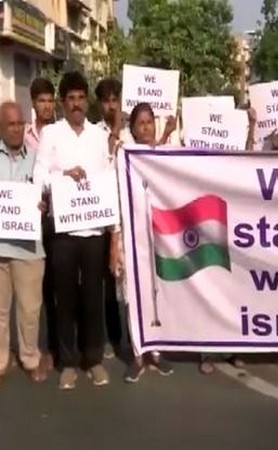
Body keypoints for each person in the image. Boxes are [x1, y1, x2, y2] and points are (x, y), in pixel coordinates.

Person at [33, 71, 114, 390]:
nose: (77, 104)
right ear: (63, 103)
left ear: (86, 101)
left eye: (81, 98)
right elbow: (40, 175)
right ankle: (67, 362)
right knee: (64, 297)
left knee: (93, 296)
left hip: (94, 229)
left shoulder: (97, 135)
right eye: (71, 99)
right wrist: (64, 176)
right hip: (63, 231)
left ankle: (92, 359)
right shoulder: (52, 134)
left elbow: (108, 178)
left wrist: (114, 232)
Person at [109, 102, 175, 382]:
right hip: (131, 237)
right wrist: (115, 241)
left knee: (156, 292)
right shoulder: (124, 158)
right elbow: (116, 196)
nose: (146, 127)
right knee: (131, 296)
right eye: (141, 123)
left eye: (150, 122)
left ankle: (156, 352)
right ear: (132, 130)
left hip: (160, 236)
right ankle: (137, 354)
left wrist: (168, 134)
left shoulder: (165, 154)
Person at [0, 102, 48, 383]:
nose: (17, 129)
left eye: (20, 123)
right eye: (10, 124)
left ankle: (30, 357)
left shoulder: (38, 158)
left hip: (29, 246)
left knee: (30, 308)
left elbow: (49, 190)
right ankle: (2, 358)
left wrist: (44, 204)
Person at [94, 78, 132, 360]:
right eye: (106, 100)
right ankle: (113, 338)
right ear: (99, 104)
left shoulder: (133, 135)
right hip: (104, 217)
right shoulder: (94, 135)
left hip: (130, 218)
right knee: (108, 281)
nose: (111, 105)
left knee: (133, 281)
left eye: (115, 99)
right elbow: (100, 169)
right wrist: (112, 135)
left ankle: (136, 339)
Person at [26, 77, 57, 371]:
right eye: (41, 101)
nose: (46, 106)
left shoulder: (61, 134)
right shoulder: (23, 136)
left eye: (50, 100)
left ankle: (59, 343)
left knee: (62, 282)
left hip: (61, 217)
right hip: (31, 220)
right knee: (38, 286)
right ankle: (39, 346)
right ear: (33, 104)